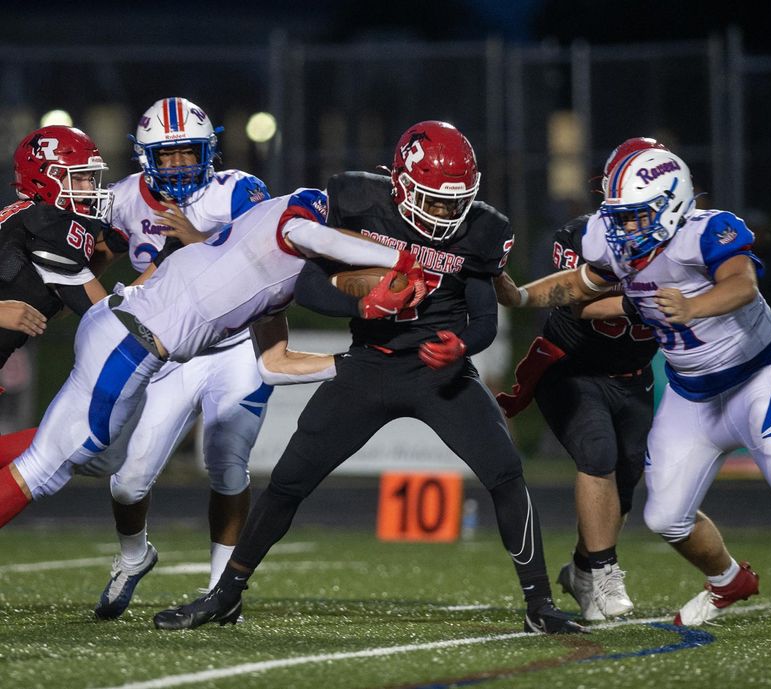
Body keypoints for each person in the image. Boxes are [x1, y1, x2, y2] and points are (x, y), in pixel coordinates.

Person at [152, 120, 587, 635]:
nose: (447, 213)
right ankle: (225, 595)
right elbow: (308, 285)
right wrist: (364, 299)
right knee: (289, 481)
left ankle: (538, 603)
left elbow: (486, 319)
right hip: (369, 364)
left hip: (439, 374)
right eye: (436, 200)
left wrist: (461, 345)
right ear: (400, 185)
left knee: (506, 473)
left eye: (457, 203)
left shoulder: (483, 231)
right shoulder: (359, 201)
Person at [0, 186, 425, 535]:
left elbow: (273, 364)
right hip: (131, 343)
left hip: (125, 336)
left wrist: (350, 361)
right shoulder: (302, 216)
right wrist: (403, 259)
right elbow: (314, 236)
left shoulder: (272, 272)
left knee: (94, 457)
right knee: (46, 468)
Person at [495, 147, 771, 626]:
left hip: (754, 378)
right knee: (665, 518)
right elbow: (583, 284)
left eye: (637, 216)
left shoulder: (706, 231)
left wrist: (694, 307)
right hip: (690, 392)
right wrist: (524, 295)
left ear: (673, 202)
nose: (625, 228)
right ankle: (729, 581)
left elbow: (743, 285)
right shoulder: (609, 239)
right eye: (619, 217)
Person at [79, 97, 276, 620]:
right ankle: (132, 555)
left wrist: (200, 242)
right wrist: (94, 297)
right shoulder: (124, 199)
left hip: (236, 348)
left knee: (227, 465)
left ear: (208, 150)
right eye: (166, 156)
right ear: (146, 158)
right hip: (166, 352)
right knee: (129, 478)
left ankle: (221, 592)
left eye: (189, 152)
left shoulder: (238, 191)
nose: (180, 165)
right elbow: (91, 258)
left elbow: (267, 258)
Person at [496, 137, 664, 621]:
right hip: (571, 367)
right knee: (598, 455)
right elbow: (577, 300)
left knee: (627, 482)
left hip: (634, 376)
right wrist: (644, 297)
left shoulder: (680, 241)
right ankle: (606, 572)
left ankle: (583, 570)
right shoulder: (584, 236)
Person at [0, 125, 112, 368]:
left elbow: (63, 303)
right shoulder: (47, 225)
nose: (89, 189)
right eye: (78, 178)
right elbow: (111, 321)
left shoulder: (22, 219)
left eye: (90, 178)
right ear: (44, 179)